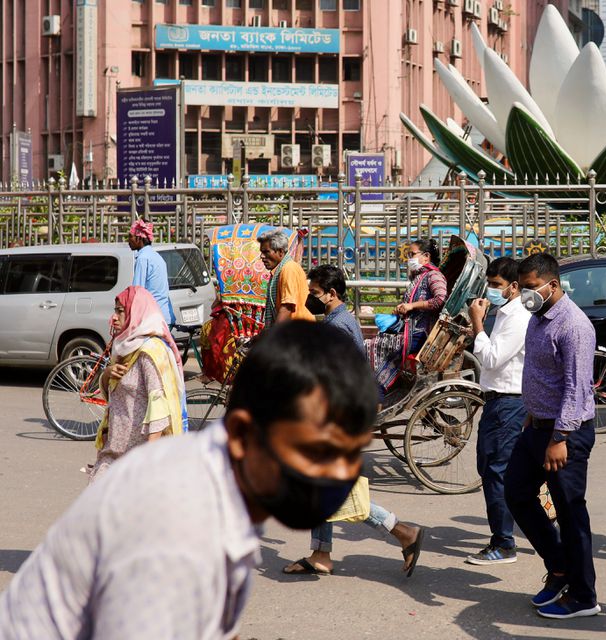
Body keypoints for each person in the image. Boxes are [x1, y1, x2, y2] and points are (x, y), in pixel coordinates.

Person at [0, 321, 378, 638]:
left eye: (352, 453)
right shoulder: (178, 524)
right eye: (320, 452)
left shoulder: (214, 480)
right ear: (246, 436)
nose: (340, 473)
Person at [282, 265, 425, 578]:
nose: (310, 298)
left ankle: (402, 531)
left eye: (315, 293)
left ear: (332, 294)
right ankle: (321, 554)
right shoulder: (337, 320)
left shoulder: (337, 325)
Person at [503, 252, 600, 620]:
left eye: (530, 288)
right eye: (523, 287)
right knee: (516, 493)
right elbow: (541, 374)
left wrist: (559, 437)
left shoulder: (574, 326)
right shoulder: (537, 317)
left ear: (552, 285)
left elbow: (576, 389)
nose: (525, 295)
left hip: (565, 434)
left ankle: (583, 595)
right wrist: (532, 414)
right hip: (536, 426)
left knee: (571, 513)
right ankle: (559, 567)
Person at [465, 257, 530, 566]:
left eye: (496, 286)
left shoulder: (518, 317)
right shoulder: (505, 312)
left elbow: (491, 359)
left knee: (496, 472)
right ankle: (524, 522)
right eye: (489, 285)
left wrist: (478, 322)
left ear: (513, 287)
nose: (490, 291)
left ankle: (504, 543)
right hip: (497, 401)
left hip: (509, 402)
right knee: (490, 467)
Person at [88, 286, 186, 483]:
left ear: (136, 312)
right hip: (114, 453)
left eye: (120, 311)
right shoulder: (125, 346)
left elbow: (160, 407)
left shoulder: (150, 352)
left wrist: (147, 461)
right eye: (115, 310)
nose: (113, 317)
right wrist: (107, 373)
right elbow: (113, 396)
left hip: (137, 458)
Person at [369, 238, 447, 393]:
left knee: (372, 347)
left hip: (420, 334)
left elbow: (440, 299)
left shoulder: (433, 276)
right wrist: (403, 308)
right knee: (373, 345)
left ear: (426, 256)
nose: (409, 258)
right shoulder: (419, 276)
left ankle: (377, 392)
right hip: (409, 330)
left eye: (412, 254)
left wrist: (412, 305)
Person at [258, 228, 315, 327]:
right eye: (262, 252)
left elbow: (287, 307)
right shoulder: (280, 270)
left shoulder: (289, 269)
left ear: (280, 252)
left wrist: (272, 336)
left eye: (266, 252)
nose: (262, 256)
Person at [128, 219, 175, 325]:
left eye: (130, 236)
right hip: (165, 315)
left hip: (154, 318)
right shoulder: (156, 256)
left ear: (139, 237)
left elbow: (137, 292)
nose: (128, 241)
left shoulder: (143, 258)